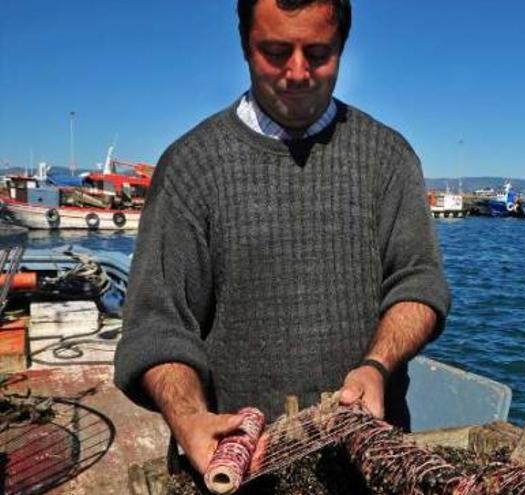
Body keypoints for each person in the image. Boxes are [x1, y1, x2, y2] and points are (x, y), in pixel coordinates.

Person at [114, 0, 450, 476]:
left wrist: (376, 365)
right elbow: (156, 324)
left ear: (343, 47)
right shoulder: (191, 165)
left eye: (317, 53)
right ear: (244, 46)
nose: (296, 73)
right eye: (275, 51)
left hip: (368, 464)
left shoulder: (389, 157)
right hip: (235, 467)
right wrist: (189, 419)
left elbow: (419, 284)